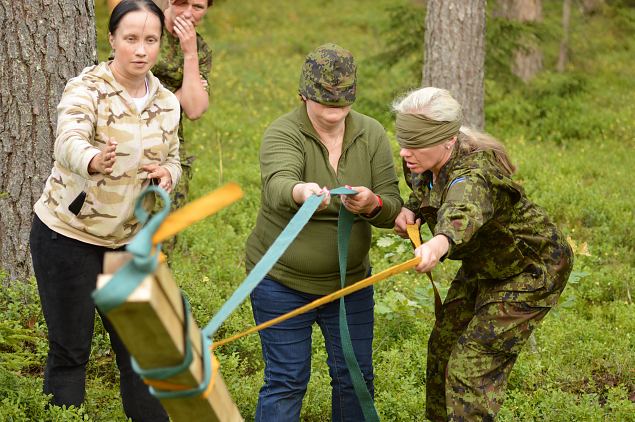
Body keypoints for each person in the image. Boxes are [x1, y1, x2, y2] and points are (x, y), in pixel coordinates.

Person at [29, 1, 180, 420]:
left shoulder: (168, 102)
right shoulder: (85, 88)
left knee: (140, 352)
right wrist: (93, 159)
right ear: (112, 39)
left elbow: (174, 158)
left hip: (128, 245)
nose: (140, 50)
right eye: (130, 39)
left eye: (150, 40)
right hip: (67, 237)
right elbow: (67, 139)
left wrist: (168, 174)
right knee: (70, 350)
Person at [392, 87, 573, 421]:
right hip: (485, 264)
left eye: (415, 143)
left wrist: (439, 242)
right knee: (443, 349)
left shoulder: (475, 174)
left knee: (469, 368)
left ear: (446, 140)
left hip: (531, 269)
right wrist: (411, 212)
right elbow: (429, 195)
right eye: (403, 141)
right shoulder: (420, 162)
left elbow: (463, 210)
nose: (405, 152)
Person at [245, 43, 403, 421]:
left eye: (343, 105)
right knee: (287, 379)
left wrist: (372, 205)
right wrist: (302, 192)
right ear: (303, 96)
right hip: (281, 282)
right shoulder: (283, 132)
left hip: (350, 286)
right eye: (325, 105)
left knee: (356, 378)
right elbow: (278, 184)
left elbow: (391, 204)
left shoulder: (371, 133)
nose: (334, 114)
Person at [152, 0, 213, 210]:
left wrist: (190, 53)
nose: (188, 13)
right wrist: (176, 97)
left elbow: (195, 109)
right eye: (182, 3)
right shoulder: (146, 29)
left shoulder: (200, 49)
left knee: (164, 231)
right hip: (129, 138)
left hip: (170, 144)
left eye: (197, 7)